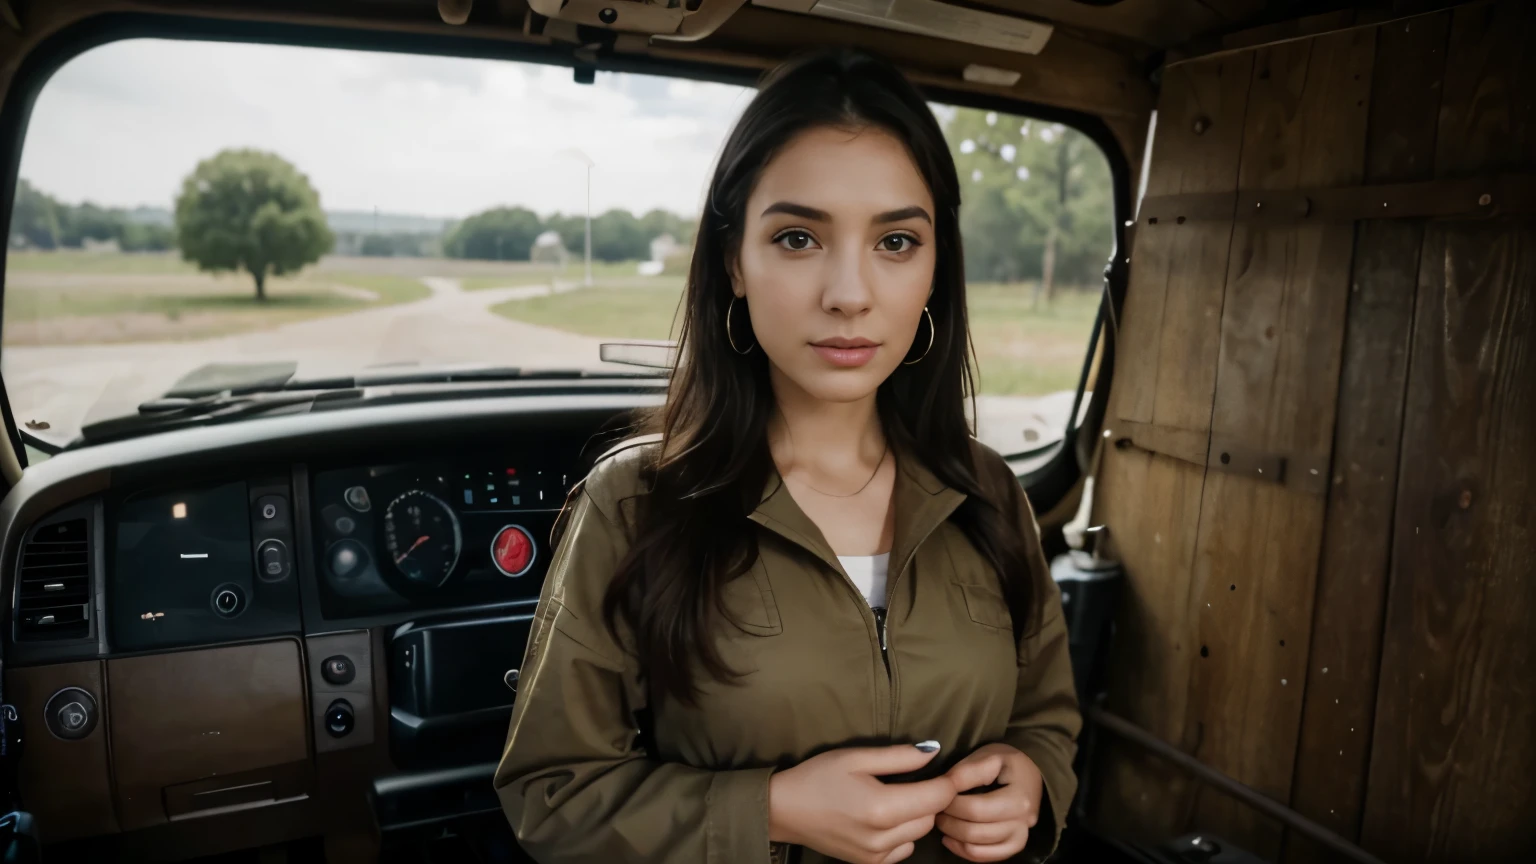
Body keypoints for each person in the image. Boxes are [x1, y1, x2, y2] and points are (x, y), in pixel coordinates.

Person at [494, 48, 1081, 864]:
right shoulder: (633, 504)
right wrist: (769, 811)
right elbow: (552, 794)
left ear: (936, 265)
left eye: (897, 241)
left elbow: (1047, 714)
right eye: (800, 238)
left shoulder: (987, 492)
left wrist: (1034, 779)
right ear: (734, 261)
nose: (849, 292)